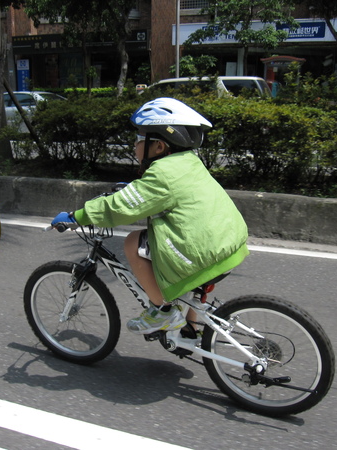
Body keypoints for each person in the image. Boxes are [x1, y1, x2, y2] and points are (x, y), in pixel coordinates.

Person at [51, 97, 249, 335]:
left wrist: (78, 216)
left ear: (159, 146)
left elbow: (119, 207)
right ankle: (192, 330)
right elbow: (161, 192)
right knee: (191, 281)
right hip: (229, 242)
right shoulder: (187, 162)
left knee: (133, 242)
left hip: (204, 250)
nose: (135, 145)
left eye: (139, 139)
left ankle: (162, 312)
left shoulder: (162, 173)